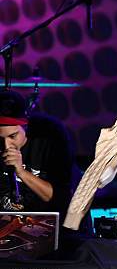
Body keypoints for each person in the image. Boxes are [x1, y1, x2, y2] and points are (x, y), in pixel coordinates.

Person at [0, 90, 73, 218]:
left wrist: (21, 173)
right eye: (0, 139)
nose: (7, 145)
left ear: (25, 127)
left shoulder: (49, 140)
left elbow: (58, 199)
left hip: (42, 229)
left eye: (13, 136)